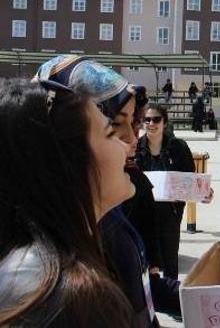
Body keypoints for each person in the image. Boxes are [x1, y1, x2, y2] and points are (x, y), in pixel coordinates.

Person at [33, 55, 182, 325]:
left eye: (132, 123)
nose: (129, 139)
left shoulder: (108, 216)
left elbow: (140, 287)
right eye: (112, 126)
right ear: (70, 142)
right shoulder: (50, 279)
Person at [0, 78, 133, 326]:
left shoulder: (27, 269)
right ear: (70, 164)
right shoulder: (75, 300)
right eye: (110, 132)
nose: (125, 145)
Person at [136, 104, 195, 280]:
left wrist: (203, 192)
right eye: (147, 120)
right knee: (148, 259)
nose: (151, 123)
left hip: (171, 212)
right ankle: (151, 297)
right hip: (144, 212)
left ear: (165, 123)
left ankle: (171, 295)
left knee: (170, 257)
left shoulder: (178, 147)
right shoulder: (136, 148)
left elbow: (191, 178)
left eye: (156, 119)